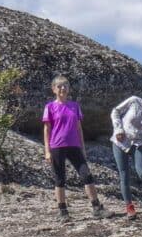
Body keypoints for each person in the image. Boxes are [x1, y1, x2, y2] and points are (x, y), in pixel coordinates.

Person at [42, 75, 113, 222]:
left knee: (86, 175)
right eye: (59, 86)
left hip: (74, 146)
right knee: (60, 179)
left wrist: (83, 147)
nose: (63, 88)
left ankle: (96, 208)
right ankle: (63, 212)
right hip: (57, 146)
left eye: (65, 85)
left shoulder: (74, 106)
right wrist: (47, 151)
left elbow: (79, 128)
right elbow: (46, 129)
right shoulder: (50, 107)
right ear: (54, 89)